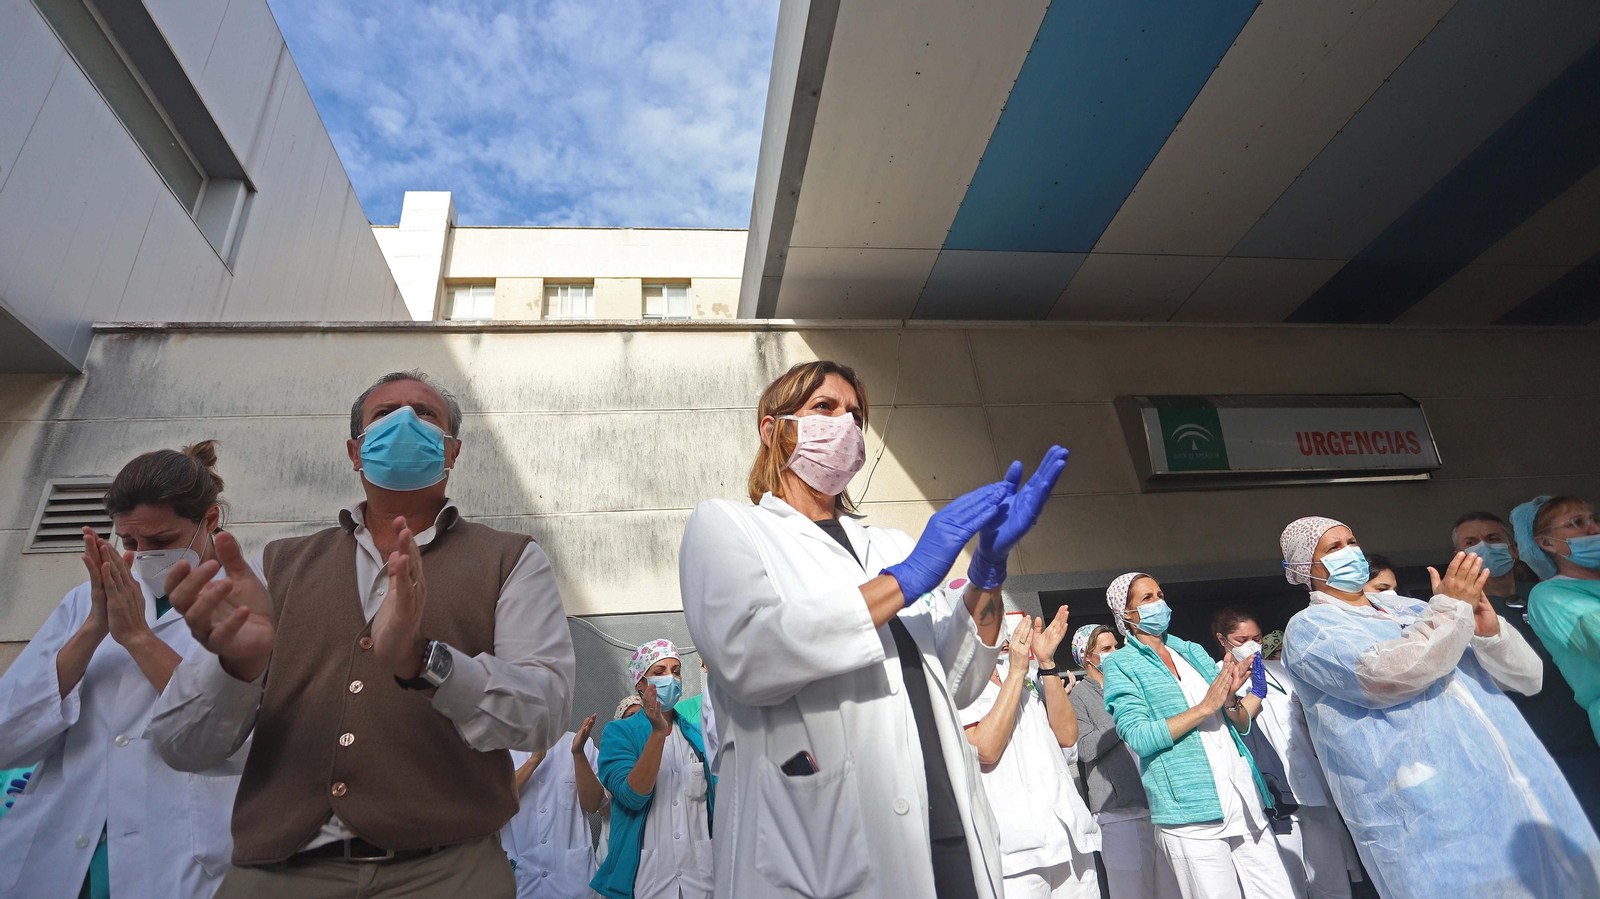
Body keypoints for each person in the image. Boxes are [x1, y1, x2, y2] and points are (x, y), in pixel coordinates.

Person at [149, 370, 576, 898]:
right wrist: (237, 668)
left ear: (453, 451)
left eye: (425, 414)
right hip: (276, 873)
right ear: (356, 451)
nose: (404, 423)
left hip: (448, 872)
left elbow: (545, 712)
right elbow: (180, 746)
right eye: (383, 414)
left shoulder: (511, 559)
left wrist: (424, 662)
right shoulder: (276, 565)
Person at [679, 359, 1070, 899]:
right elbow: (748, 654)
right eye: (824, 408)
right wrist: (904, 582)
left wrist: (986, 573)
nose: (845, 425)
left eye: (855, 415)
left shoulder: (887, 544)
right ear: (772, 430)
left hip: (949, 830)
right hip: (823, 846)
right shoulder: (728, 526)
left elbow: (955, 680)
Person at [1279, 515, 1600, 898]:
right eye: (1333, 549)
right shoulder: (1311, 629)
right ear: (1302, 568)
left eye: (1352, 541)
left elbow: (1527, 677)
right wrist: (1449, 608)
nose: (1350, 552)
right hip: (1434, 816)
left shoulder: (1413, 609)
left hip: (1516, 794)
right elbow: (1390, 675)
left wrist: (1488, 631)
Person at [0, 442, 247, 898]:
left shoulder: (249, 603)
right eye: (129, 542)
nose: (142, 555)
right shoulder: (82, 604)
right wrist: (94, 627)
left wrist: (137, 636)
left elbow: (229, 731)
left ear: (209, 521)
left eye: (161, 541)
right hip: (58, 849)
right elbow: (6, 737)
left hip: (176, 853)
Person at [1100, 573, 1296, 899]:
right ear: (1125, 614)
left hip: (1242, 800)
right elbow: (1138, 736)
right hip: (1191, 815)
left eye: (1160, 594)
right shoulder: (1121, 664)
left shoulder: (1190, 651)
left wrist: (1231, 698)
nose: (1158, 603)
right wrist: (1205, 707)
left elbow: (1236, 720)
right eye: (1146, 598)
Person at [1458, 507, 1600, 826]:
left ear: (1514, 550)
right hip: (1540, 751)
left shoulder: (1549, 593)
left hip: (1588, 732)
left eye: (1493, 538)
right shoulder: (1464, 615)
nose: (1484, 546)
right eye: (1472, 541)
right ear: (1459, 556)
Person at [1211, 609, 1358, 899]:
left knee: (1331, 882)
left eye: (1256, 638)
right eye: (1241, 639)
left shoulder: (1280, 671)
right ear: (1222, 640)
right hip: (1270, 794)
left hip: (1312, 788)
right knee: (1285, 884)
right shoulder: (1215, 678)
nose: (1251, 644)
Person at [961, 610, 1100, 898]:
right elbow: (984, 749)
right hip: (1017, 851)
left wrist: (1047, 663)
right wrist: (1016, 671)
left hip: (1068, 835)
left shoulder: (1028, 674)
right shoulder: (959, 682)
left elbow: (1066, 737)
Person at [592, 639, 714, 899]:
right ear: (640, 683)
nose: (671, 678)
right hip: (646, 881)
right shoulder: (619, 733)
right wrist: (658, 732)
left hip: (700, 881)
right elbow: (632, 796)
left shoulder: (696, 736)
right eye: (659, 672)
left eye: (676, 670)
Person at [1070, 624, 1182, 899]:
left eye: (1116, 647)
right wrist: (1119, 714)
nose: (1115, 653)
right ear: (1087, 658)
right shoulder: (1078, 696)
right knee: (1131, 892)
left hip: (1161, 805)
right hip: (1118, 813)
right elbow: (1084, 748)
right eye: (1106, 649)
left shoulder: (1134, 683)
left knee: (1174, 890)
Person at [502, 714, 606, 899]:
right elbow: (496, 801)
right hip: (521, 878)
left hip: (570, 880)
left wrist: (578, 754)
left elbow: (593, 805)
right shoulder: (503, 746)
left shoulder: (580, 743)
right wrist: (533, 761)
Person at [596, 695, 644, 870]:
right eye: (629, 715)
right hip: (616, 836)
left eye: (641, 715)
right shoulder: (611, 755)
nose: (635, 721)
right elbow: (603, 808)